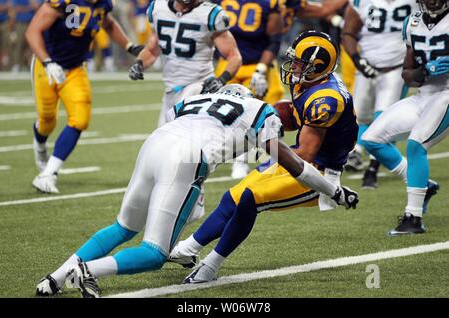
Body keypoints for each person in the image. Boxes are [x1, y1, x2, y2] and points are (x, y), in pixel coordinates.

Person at [35, 84, 358, 297]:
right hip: (185, 157)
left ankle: (55, 277)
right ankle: (86, 270)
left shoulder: (198, 99)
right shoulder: (262, 112)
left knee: (123, 227)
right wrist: (334, 190)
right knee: (154, 254)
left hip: (155, 143)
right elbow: (296, 166)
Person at [170, 31, 360, 284]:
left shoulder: (327, 99)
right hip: (300, 158)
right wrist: (267, 113)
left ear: (318, 66)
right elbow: (295, 116)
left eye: (300, 63)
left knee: (250, 199)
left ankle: (210, 266)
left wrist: (263, 142)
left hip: (318, 173)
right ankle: (186, 250)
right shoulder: (309, 81)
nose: (293, 66)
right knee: (234, 196)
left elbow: (306, 154)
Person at [27, 0, 145, 194]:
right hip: (46, 65)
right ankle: (40, 146)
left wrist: (130, 46)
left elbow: (108, 23)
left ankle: (48, 174)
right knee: (47, 120)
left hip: (75, 68)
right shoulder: (63, 2)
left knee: (80, 118)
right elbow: (32, 31)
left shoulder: (102, 4)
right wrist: (47, 62)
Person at [361, 0, 448, 235]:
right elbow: (407, 74)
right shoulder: (412, 22)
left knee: (416, 144)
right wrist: (423, 72)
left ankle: (414, 217)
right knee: (371, 139)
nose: (431, 1)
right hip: (424, 94)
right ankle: (423, 184)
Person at [128, 0, 242, 127]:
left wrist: (222, 79)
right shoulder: (158, 8)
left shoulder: (210, 14)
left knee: (186, 138)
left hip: (199, 87)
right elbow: (152, 50)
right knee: (164, 138)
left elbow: (234, 56)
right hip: (171, 90)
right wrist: (139, 63)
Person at [341, 0, 418, 189]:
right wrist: (358, 60)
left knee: (382, 119)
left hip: (396, 67)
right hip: (367, 66)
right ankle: (356, 153)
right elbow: (348, 33)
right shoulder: (360, 2)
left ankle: (372, 169)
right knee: (359, 117)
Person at [211, 0, 284, 179]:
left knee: (270, 114)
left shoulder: (270, 3)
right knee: (222, 116)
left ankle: (276, 159)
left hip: (257, 63)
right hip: (228, 65)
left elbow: (274, 40)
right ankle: (237, 160)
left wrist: (261, 69)